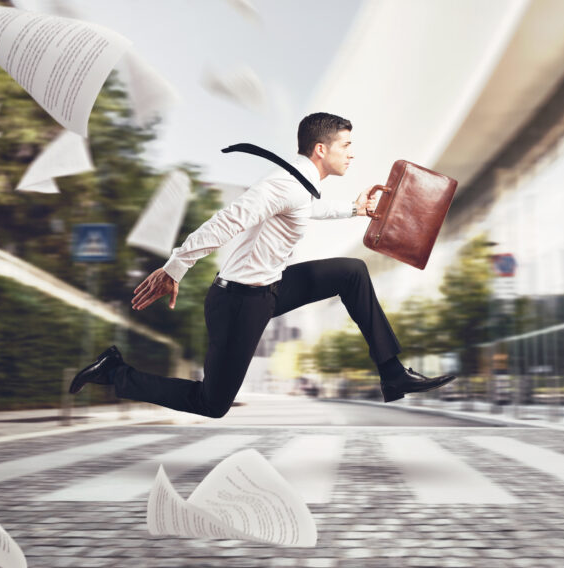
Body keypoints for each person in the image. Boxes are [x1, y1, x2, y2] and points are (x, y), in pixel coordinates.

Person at [69, 112, 455, 417]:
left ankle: (392, 374)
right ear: (321, 150)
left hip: (271, 288)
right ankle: (115, 373)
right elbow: (227, 220)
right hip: (239, 303)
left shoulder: (298, 186)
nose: (352, 153)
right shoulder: (282, 185)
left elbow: (304, 209)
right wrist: (175, 267)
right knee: (212, 403)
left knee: (351, 272)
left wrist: (354, 209)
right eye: (346, 145)